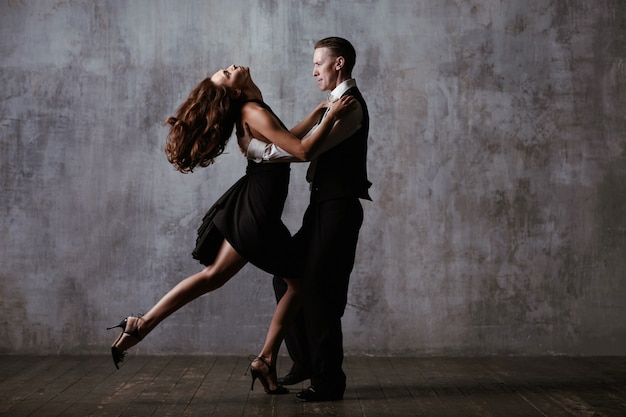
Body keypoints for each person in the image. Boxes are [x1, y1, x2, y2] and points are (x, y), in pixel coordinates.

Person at [107, 64, 356, 395]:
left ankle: (142, 324)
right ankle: (264, 359)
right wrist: (330, 117)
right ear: (235, 91)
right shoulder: (252, 110)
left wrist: (314, 116)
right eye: (225, 75)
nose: (228, 68)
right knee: (296, 282)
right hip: (257, 213)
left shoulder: (254, 105)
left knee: (216, 277)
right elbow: (302, 151)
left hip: (252, 206)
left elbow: (282, 143)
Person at [240, 37, 370, 402]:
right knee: (288, 280)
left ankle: (329, 381)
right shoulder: (334, 105)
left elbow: (301, 152)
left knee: (320, 293)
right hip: (322, 207)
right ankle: (306, 362)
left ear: (339, 64)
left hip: (339, 208)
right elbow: (302, 141)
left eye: (319, 63)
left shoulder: (350, 107)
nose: (314, 71)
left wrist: (253, 149)